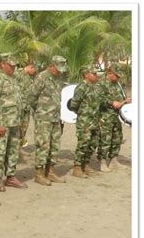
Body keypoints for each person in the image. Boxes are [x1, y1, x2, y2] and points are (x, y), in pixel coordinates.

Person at [0, 53, 27, 192]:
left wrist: (21, 121)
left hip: (15, 122)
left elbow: (18, 101)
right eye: (10, 65)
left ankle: (11, 176)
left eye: (14, 66)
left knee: (13, 151)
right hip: (3, 123)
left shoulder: (14, 79)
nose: (13, 68)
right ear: (3, 64)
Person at [30, 55, 69, 186]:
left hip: (55, 117)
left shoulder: (59, 78)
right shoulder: (42, 77)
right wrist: (40, 111)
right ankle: (39, 174)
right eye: (57, 68)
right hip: (43, 118)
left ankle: (50, 171)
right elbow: (32, 96)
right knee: (43, 145)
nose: (59, 71)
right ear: (51, 65)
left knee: (54, 145)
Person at [96, 63, 131, 171]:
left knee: (117, 138)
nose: (118, 78)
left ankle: (113, 161)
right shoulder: (101, 83)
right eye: (117, 75)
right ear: (110, 73)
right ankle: (102, 162)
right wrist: (111, 102)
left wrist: (126, 100)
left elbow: (122, 97)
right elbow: (97, 98)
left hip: (117, 116)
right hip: (105, 116)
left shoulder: (117, 84)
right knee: (105, 139)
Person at [69, 64, 101, 178]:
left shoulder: (95, 87)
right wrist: (82, 113)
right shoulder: (81, 87)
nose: (96, 75)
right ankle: (77, 167)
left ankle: (85, 165)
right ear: (86, 74)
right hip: (85, 121)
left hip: (94, 120)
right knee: (83, 143)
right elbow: (73, 104)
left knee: (93, 143)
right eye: (94, 73)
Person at [16, 61, 38, 150]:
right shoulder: (19, 73)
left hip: (27, 107)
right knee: (17, 127)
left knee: (24, 127)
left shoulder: (30, 77)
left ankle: (19, 145)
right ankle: (15, 147)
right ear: (30, 67)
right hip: (19, 107)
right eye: (34, 69)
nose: (35, 71)